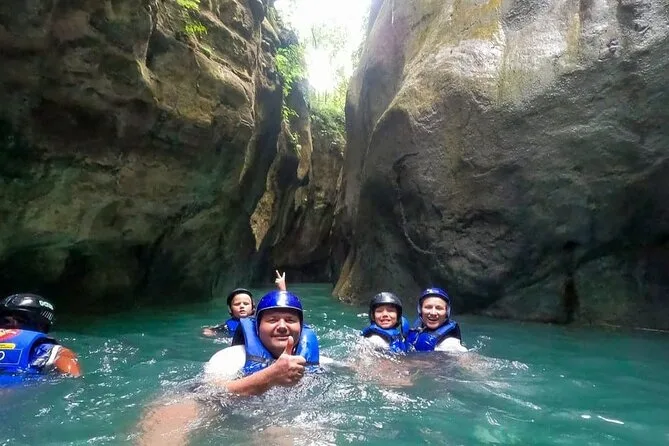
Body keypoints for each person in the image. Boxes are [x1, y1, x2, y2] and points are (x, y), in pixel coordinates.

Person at [135, 290, 321, 445]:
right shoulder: (229, 359)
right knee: (172, 411)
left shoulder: (318, 363)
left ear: (301, 326)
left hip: (281, 420)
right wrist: (269, 376)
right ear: (257, 327)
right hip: (230, 414)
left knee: (286, 434)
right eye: (272, 320)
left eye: (290, 320)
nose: (282, 326)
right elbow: (209, 393)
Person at [0, 293, 81, 382]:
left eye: (20, 320)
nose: (9, 324)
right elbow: (73, 381)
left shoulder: (50, 351)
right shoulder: (55, 352)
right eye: (4, 320)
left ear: (41, 326)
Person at [201, 271, 287, 337]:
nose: (242, 306)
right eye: (237, 304)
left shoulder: (259, 320)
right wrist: (209, 331)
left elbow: (281, 310)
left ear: (253, 307)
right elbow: (212, 331)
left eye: (246, 304)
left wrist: (282, 290)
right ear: (230, 309)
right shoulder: (227, 326)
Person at [406, 287, 467, 353]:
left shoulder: (450, 345)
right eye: (428, 307)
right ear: (420, 310)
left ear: (446, 312)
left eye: (439, 308)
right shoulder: (418, 328)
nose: (433, 313)